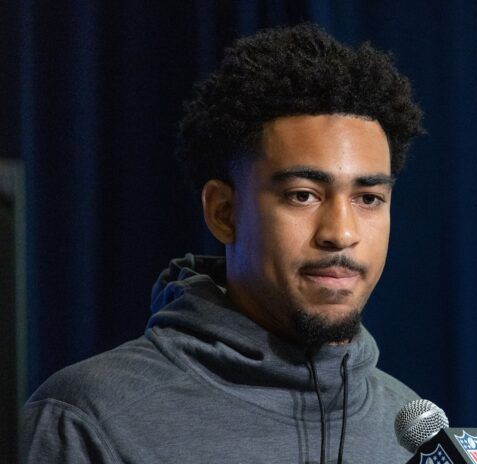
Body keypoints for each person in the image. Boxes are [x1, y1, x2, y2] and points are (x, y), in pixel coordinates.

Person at [22, 23, 424, 463]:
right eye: (303, 195)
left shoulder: (412, 431)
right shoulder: (88, 419)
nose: (342, 233)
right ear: (223, 212)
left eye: (369, 199)